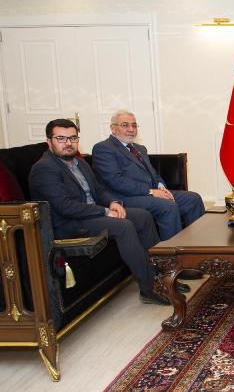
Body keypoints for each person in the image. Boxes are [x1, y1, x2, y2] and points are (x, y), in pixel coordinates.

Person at [28, 119, 188, 305]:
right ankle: (149, 288)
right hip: (69, 223)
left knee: (142, 216)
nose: (68, 143)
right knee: (123, 226)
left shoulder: (79, 163)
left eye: (73, 138)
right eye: (61, 138)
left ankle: (164, 276)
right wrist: (104, 212)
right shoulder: (45, 168)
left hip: (90, 215)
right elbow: (65, 206)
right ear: (49, 142)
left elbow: (98, 189)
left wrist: (113, 202)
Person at [91, 110, 205, 241]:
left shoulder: (140, 148)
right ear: (113, 128)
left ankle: (197, 244)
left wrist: (161, 187)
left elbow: (153, 174)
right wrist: (151, 191)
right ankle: (171, 251)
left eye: (134, 125)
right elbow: (116, 180)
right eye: (125, 125)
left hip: (149, 194)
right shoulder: (104, 148)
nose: (131, 129)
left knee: (193, 199)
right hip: (124, 197)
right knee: (167, 206)